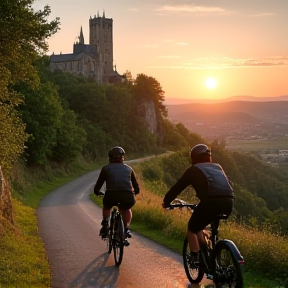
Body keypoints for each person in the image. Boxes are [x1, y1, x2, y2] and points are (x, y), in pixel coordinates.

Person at [162, 144, 234, 264]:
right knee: (206, 226)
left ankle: (195, 257)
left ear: (193, 158)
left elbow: (177, 188)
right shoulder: (218, 167)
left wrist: (166, 202)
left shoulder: (193, 170)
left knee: (192, 227)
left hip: (210, 203)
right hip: (229, 201)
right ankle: (213, 260)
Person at [94, 146, 140, 245]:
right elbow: (136, 186)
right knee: (126, 209)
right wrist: (134, 193)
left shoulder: (106, 168)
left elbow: (99, 184)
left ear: (110, 158)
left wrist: (97, 191)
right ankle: (126, 229)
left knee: (107, 206)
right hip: (127, 196)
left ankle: (105, 224)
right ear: (122, 157)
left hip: (111, 195)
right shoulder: (129, 169)